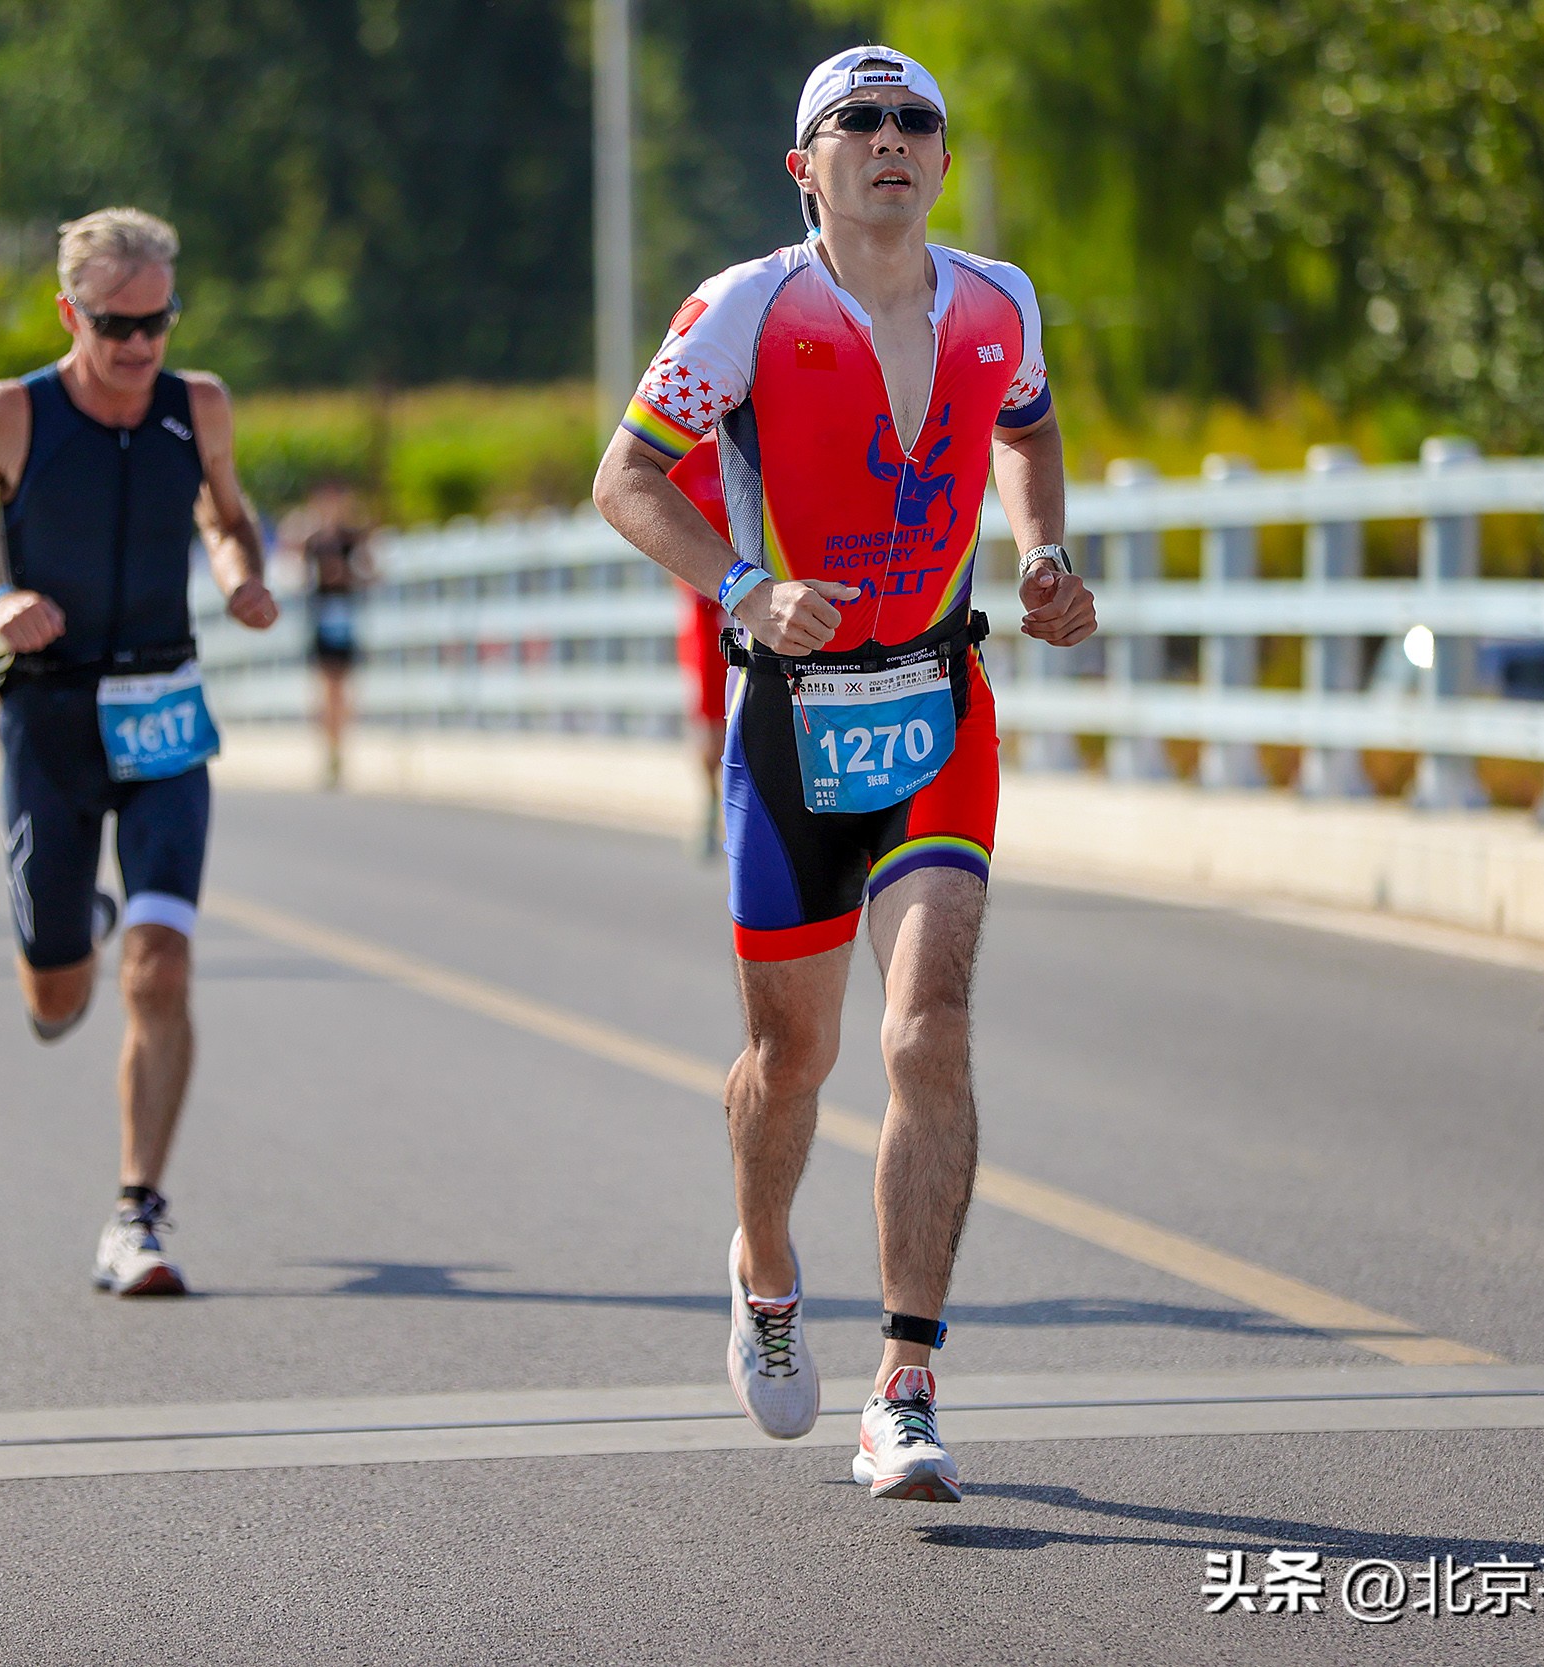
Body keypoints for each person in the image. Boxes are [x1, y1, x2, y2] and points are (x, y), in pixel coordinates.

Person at [592, 45, 1097, 1503]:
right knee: (793, 1058)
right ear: (802, 163)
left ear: (942, 156)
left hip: (939, 697)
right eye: (855, 122)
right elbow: (625, 480)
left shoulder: (998, 300)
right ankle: (761, 1264)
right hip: (793, 719)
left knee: (926, 1025)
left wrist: (1044, 552)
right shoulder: (740, 308)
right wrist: (744, 584)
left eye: (915, 122)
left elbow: (1030, 423)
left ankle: (909, 1381)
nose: (890, 140)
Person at [0, 207, 279, 1297]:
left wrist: (237, 571)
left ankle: (137, 1214)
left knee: (160, 969)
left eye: (158, 320)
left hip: (163, 706)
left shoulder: (194, 404)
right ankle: (75, 930)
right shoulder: (10, 414)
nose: (139, 345)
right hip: (51, 717)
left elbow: (227, 513)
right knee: (61, 993)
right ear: (72, 313)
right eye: (117, 324)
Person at [282, 480, 374, 788]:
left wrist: (346, 572)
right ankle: (328, 749)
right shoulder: (313, 541)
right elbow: (294, 575)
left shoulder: (352, 537)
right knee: (324, 688)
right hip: (321, 619)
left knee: (342, 688)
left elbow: (371, 573)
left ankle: (340, 747)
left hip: (344, 618)